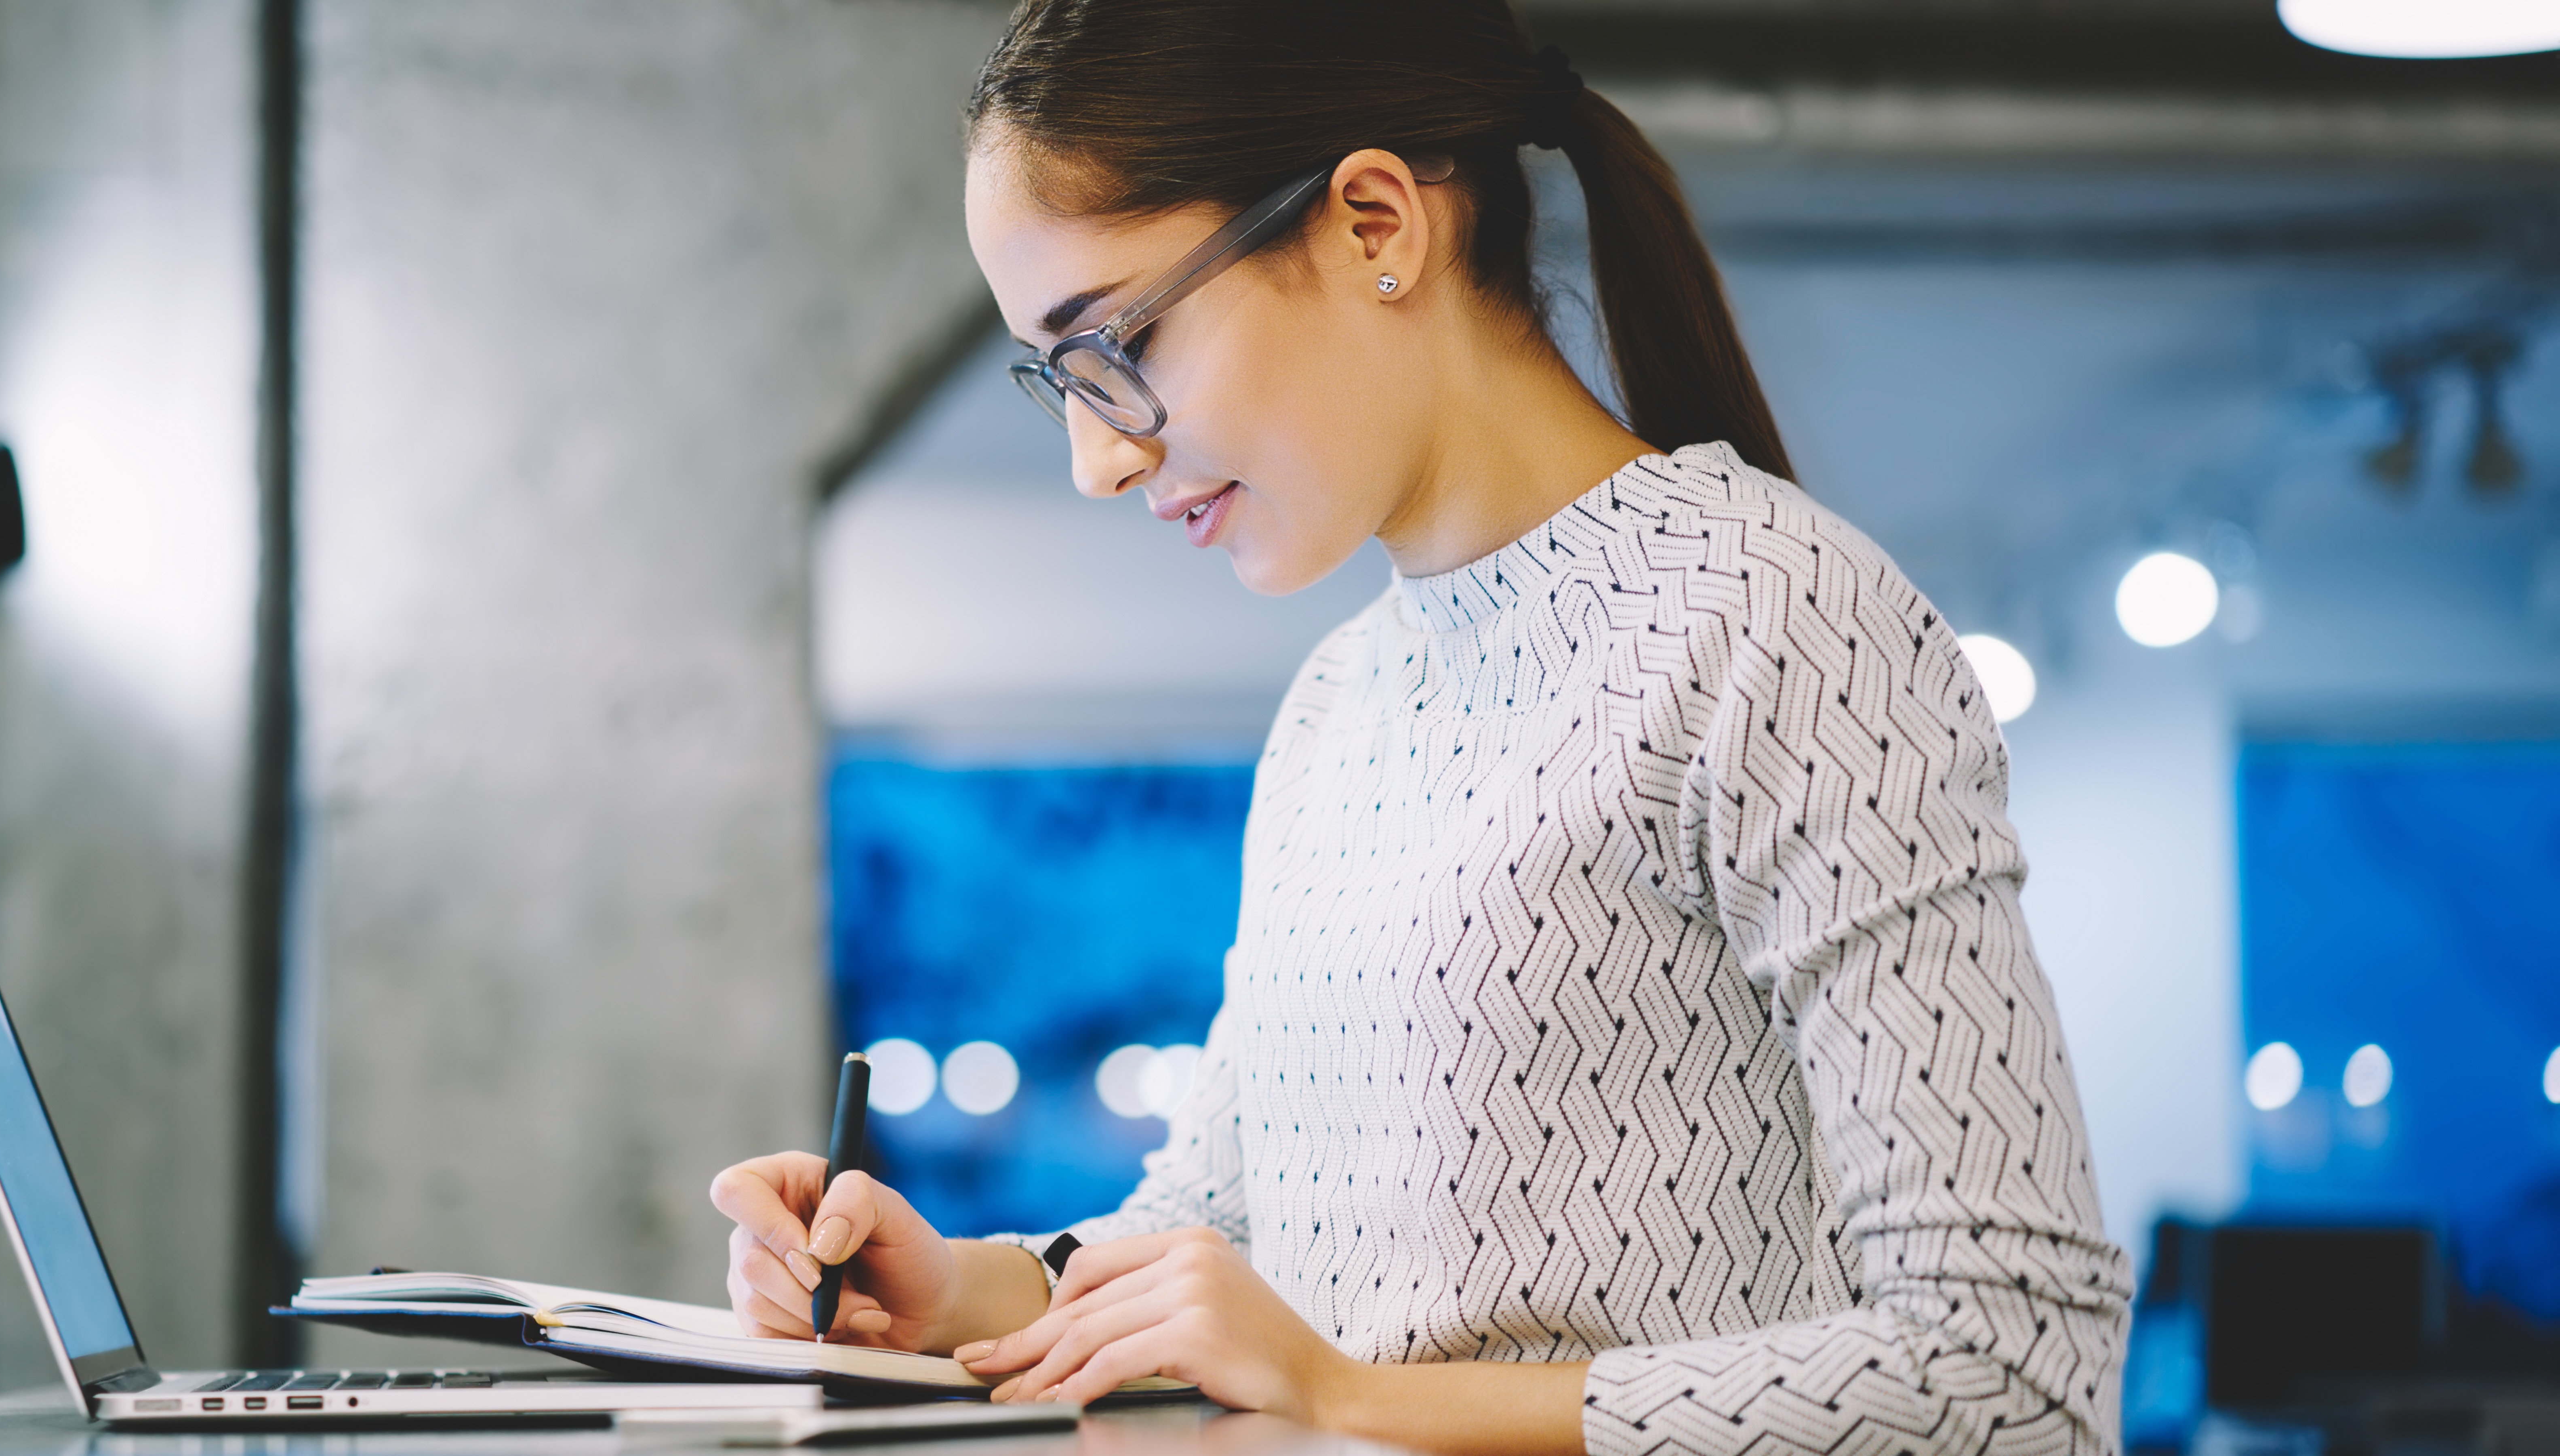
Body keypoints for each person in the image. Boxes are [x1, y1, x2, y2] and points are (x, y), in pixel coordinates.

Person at [712, 2, 2132, 1452]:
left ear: (1375, 223)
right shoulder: (1339, 703)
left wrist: (1355, 1400)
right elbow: (1222, 1225)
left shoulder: (1778, 619)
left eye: (1117, 343)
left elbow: (2008, 1369)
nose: (1097, 457)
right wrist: (956, 1289)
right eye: (1055, 379)